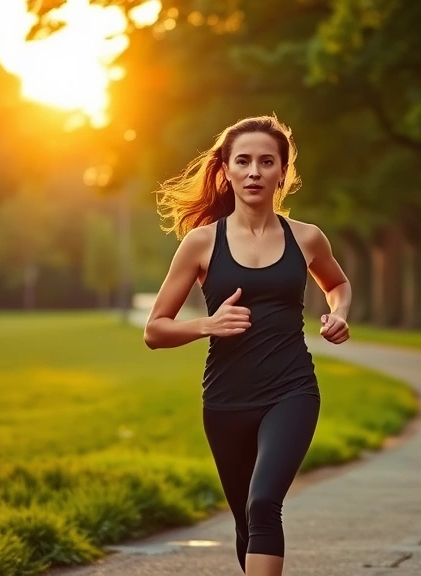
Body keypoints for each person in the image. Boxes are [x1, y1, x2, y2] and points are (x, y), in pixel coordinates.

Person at [142, 115, 352, 576]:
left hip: (291, 390)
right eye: (244, 161)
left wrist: (338, 313)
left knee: (262, 504)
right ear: (226, 170)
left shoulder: (306, 237)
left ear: (282, 172)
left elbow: (337, 284)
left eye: (266, 161)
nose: (254, 171)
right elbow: (155, 330)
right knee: (245, 520)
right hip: (226, 399)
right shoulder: (200, 244)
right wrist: (207, 325)